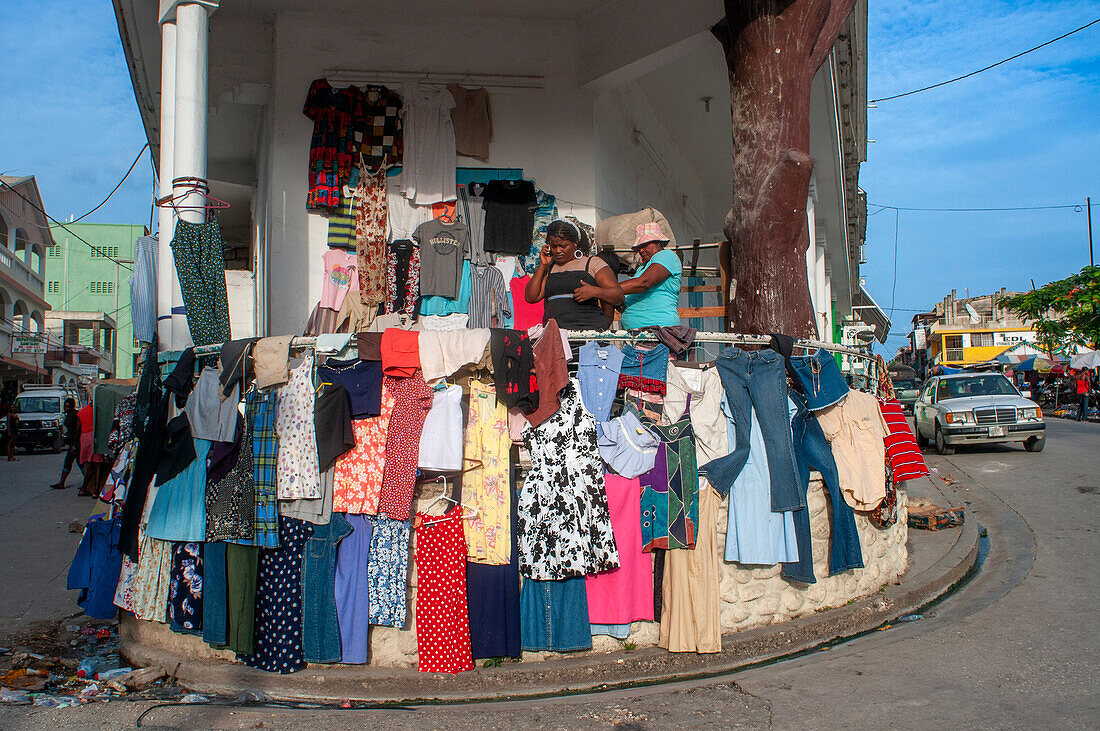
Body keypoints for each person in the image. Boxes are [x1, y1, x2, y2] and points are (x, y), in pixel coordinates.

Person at [525, 219, 623, 330]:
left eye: (563, 246)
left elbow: (618, 295)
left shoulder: (592, 263)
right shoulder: (550, 267)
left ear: (575, 242)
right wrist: (542, 265)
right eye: (553, 246)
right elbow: (531, 297)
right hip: (556, 335)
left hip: (587, 335)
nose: (558, 250)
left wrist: (595, 291)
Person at [618, 222, 682, 330]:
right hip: (639, 334)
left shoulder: (667, 256)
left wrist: (604, 290)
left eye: (644, 245)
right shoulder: (642, 268)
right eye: (639, 247)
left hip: (659, 331)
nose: (641, 250)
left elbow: (643, 283)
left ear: (657, 242)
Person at [50, 398, 81, 489]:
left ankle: (62, 483)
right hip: (72, 442)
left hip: (76, 442)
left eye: (68, 406)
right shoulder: (68, 415)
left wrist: (74, 444)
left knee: (75, 462)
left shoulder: (76, 415)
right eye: (65, 406)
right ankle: (62, 482)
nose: (66, 408)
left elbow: (77, 430)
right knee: (73, 462)